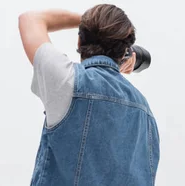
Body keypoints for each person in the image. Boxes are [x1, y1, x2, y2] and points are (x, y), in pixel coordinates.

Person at [18, 4, 160, 186]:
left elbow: (30, 19)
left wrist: (88, 22)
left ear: (79, 41)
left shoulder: (67, 82)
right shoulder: (145, 111)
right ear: (124, 51)